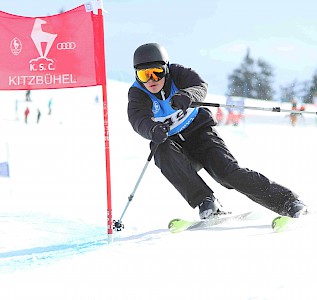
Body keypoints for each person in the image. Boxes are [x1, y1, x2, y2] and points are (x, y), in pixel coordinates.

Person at [127, 43, 307, 220]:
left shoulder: (178, 74)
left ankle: (288, 202)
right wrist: (152, 129)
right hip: (176, 149)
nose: (151, 80)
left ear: (166, 69)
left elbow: (199, 86)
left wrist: (188, 95)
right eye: (144, 75)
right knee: (160, 148)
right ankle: (206, 202)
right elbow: (138, 118)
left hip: (201, 135)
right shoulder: (138, 93)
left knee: (227, 173)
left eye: (156, 72)